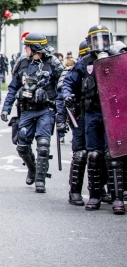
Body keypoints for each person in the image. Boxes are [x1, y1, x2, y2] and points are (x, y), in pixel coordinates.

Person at [62, 25, 125, 214]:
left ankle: (117, 199)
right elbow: (68, 82)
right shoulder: (85, 62)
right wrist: (67, 95)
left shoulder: (116, 58)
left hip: (112, 114)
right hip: (92, 113)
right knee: (94, 155)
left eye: (103, 39)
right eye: (96, 39)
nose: (100, 43)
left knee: (113, 156)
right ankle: (95, 196)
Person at [1, 33, 63, 193]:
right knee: (22, 146)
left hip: (45, 110)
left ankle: (40, 180)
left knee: (43, 146)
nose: (25, 49)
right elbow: (13, 87)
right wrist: (6, 108)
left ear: (34, 47)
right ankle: (32, 169)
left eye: (27, 46)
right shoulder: (22, 63)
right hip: (26, 110)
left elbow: (62, 87)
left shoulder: (52, 64)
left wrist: (61, 111)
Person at [56, 40, 89, 206]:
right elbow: (63, 94)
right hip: (81, 115)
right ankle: (75, 191)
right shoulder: (76, 69)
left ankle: (101, 190)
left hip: (100, 115)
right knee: (80, 154)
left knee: (101, 154)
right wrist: (61, 120)